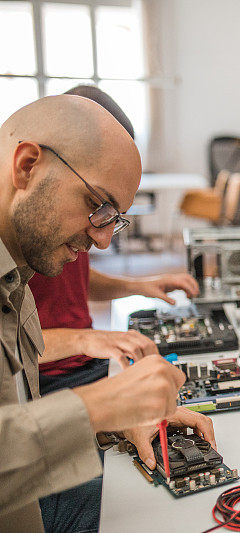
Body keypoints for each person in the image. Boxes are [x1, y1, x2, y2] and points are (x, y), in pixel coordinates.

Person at [0, 95, 213, 532]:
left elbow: (17, 423)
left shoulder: (16, 277)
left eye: (113, 219)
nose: (102, 242)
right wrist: (97, 405)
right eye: (98, 206)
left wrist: (111, 423)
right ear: (27, 165)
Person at [29, 85, 199, 396]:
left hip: (88, 363)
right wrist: (85, 339)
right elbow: (10, 348)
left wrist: (139, 285)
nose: (103, 241)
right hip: (47, 380)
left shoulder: (67, 227)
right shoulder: (33, 226)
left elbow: (73, 280)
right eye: (98, 203)